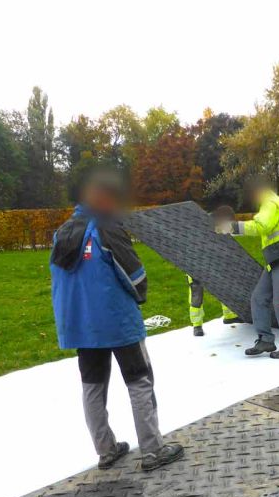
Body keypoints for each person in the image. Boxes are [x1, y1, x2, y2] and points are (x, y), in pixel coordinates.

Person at [50, 167, 184, 471]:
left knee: (93, 386)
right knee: (139, 381)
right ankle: (152, 450)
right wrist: (140, 297)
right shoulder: (106, 228)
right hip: (117, 321)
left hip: (81, 326)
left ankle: (106, 450)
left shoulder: (62, 233)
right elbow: (135, 276)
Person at [222, 177, 279, 359]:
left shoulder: (271, 202)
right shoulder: (272, 203)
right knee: (258, 298)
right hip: (277, 258)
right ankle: (266, 340)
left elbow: (262, 226)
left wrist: (231, 227)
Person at [188, 205, 243, 337]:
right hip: (195, 262)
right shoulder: (201, 223)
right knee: (197, 294)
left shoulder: (220, 224)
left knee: (224, 287)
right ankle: (197, 325)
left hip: (214, 261)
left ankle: (229, 316)